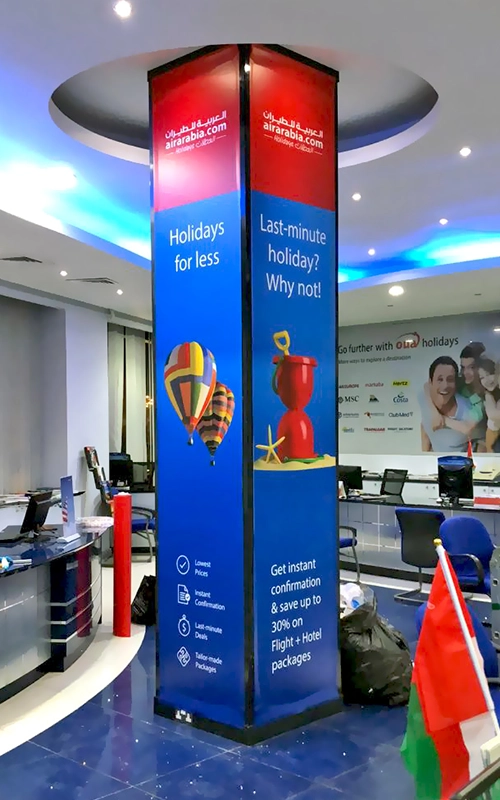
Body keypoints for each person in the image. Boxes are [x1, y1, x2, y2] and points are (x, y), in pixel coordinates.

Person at [419, 356, 477, 452]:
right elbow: (424, 426)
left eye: (450, 380)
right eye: (440, 379)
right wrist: (425, 458)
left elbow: (468, 429)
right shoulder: (423, 396)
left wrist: (442, 419)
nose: (445, 386)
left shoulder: (468, 406)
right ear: (431, 382)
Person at [459, 341, 487, 450]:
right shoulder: (459, 384)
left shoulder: (488, 389)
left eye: (471, 367)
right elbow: (429, 385)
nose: (466, 372)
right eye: (463, 367)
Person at [477, 357, 500, 452]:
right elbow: (493, 415)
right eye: (482, 378)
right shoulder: (488, 395)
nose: (487, 380)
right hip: (493, 441)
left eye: (489, 374)